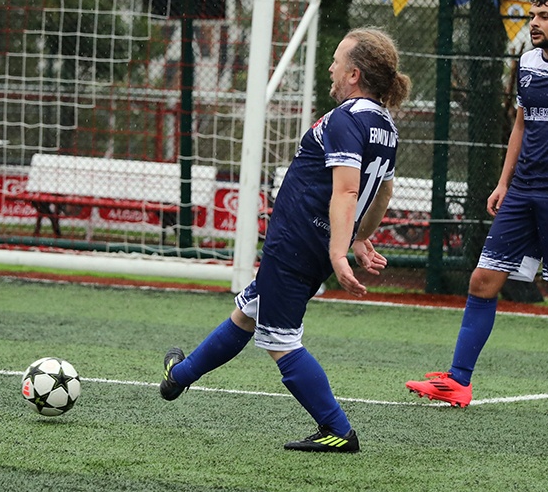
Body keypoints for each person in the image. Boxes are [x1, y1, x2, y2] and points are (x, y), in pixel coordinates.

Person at [160, 28, 412, 452]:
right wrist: (359, 238)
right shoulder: (385, 125)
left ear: (354, 74)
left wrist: (340, 251)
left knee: (280, 340)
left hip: (298, 240)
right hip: (311, 244)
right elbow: (383, 191)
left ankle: (338, 430)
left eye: (336, 61)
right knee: (249, 313)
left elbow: (348, 190)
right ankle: (178, 378)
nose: (330, 68)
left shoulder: (347, 118)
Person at [405, 0, 548, 415]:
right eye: (532, 15)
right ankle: (458, 381)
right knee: (482, 280)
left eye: (544, 16)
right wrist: (503, 183)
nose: (534, 23)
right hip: (521, 191)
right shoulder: (527, 63)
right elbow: (520, 126)